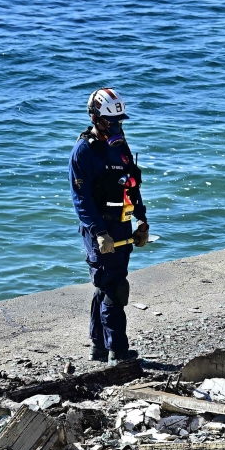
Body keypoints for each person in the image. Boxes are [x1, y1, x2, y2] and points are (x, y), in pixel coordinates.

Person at [69, 88, 150, 363]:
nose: (115, 127)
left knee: (104, 287)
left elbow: (132, 185)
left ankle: (99, 347)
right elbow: (81, 200)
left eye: (119, 122)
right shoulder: (83, 152)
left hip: (122, 225)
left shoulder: (120, 146)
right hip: (100, 230)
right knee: (114, 287)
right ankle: (119, 351)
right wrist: (99, 233)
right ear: (94, 117)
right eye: (109, 122)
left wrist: (142, 221)